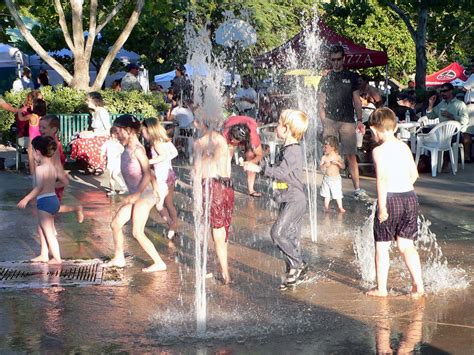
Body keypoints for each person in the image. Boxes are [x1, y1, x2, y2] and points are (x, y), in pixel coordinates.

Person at [246, 109, 309, 290]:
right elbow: (281, 171)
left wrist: (260, 170)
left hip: (295, 200)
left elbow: (280, 172)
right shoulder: (288, 148)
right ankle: (293, 271)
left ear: (287, 129)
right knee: (290, 236)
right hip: (287, 198)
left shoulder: (293, 150)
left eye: (280, 124)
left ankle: (298, 264)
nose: (277, 127)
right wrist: (262, 164)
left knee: (277, 233)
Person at [366, 107, 424, 299]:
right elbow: (414, 175)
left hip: (390, 199)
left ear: (375, 130)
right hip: (409, 197)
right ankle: (418, 285)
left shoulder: (379, 151)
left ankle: (381, 289)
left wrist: (382, 207)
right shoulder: (404, 147)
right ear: (395, 127)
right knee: (406, 245)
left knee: (382, 246)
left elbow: (381, 179)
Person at [103, 115, 167, 272]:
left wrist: (141, 193)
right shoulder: (127, 148)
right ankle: (119, 258)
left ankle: (159, 263)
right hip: (137, 194)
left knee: (137, 232)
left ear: (129, 131)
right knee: (116, 224)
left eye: (118, 132)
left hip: (143, 195)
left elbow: (146, 173)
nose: (115, 136)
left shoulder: (137, 150)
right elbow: (150, 172)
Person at [318, 45, 367, 200]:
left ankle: (357, 188)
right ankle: (331, 191)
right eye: (333, 60)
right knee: (330, 154)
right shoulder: (326, 78)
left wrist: (360, 120)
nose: (336, 63)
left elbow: (357, 101)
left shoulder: (351, 77)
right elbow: (320, 102)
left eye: (339, 59)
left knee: (351, 155)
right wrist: (323, 121)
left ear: (343, 59)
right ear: (330, 60)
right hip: (330, 120)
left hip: (347, 121)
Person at [193, 113, 234, 284]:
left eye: (195, 120)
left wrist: (196, 201)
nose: (193, 123)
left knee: (216, 230)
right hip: (227, 186)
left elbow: (196, 172)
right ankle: (222, 268)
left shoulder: (200, 143)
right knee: (223, 229)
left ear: (201, 123)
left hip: (211, 186)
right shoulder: (222, 140)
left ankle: (225, 275)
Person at [17, 136, 69, 264]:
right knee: (44, 228)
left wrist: (26, 198)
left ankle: (57, 258)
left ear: (37, 152)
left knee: (49, 232)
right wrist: (51, 187)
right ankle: (44, 255)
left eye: (33, 150)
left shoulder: (40, 169)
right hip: (52, 198)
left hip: (44, 201)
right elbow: (61, 182)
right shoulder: (52, 167)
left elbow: (39, 187)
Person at [39, 114, 84, 223]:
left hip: (55, 178)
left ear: (54, 129)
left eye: (44, 128)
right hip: (50, 177)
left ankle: (76, 208)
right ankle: (50, 229)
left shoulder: (53, 145)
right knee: (48, 207)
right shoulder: (47, 142)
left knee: (51, 208)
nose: (40, 130)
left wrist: (58, 180)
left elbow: (57, 165)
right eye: (39, 127)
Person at [142, 118, 179, 239]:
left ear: (149, 130)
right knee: (169, 204)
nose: (142, 133)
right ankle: (173, 227)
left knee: (159, 205)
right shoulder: (165, 140)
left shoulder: (156, 142)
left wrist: (149, 161)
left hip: (162, 177)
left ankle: (171, 225)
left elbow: (163, 156)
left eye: (143, 131)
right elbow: (174, 153)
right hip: (170, 174)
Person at [426, 83, 470, 163]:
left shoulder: (460, 104)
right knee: (427, 137)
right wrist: (430, 104)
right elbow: (430, 116)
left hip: (455, 133)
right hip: (441, 132)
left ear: (451, 91)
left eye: (445, 91)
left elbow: (465, 120)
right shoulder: (441, 104)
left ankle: (445, 162)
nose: (442, 93)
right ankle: (431, 163)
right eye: (441, 91)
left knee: (446, 139)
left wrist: (452, 116)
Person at [70, 92, 111, 175]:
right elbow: (95, 130)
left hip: (103, 138)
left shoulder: (102, 111)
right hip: (96, 136)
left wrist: (93, 135)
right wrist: (85, 133)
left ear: (94, 100)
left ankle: (98, 166)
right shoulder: (94, 112)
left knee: (83, 143)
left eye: (88, 100)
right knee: (77, 141)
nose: (86, 102)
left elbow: (109, 130)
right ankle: (89, 165)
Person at [223, 115, 263, 197]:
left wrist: (249, 163)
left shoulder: (253, 138)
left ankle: (251, 190)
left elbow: (259, 155)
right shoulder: (226, 133)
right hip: (231, 123)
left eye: (234, 140)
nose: (231, 140)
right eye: (232, 138)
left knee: (251, 155)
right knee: (227, 157)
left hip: (250, 126)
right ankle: (226, 184)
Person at [17, 98, 47, 175]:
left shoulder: (32, 116)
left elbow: (21, 118)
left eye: (32, 105)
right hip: (41, 139)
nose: (31, 106)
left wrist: (20, 111)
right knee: (39, 155)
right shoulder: (44, 117)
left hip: (32, 139)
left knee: (31, 155)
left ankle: (32, 172)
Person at [320, 135, 346, 213]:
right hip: (326, 179)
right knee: (326, 194)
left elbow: (343, 166)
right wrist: (324, 165)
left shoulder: (337, 157)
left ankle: (340, 207)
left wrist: (338, 163)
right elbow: (320, 168)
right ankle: (326, 207)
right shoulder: (324, 158)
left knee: (338, 194)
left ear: (333, 147)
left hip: (335, 179)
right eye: (324, 146)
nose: (324, 148)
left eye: (326, 147)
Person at [100, 127, 127, 196]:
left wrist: (119, 154)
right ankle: (112, 190)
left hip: (118, 162)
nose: (116, 136)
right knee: (111, 177)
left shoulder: (119, 143)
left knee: (114, 175)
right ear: (112, 134)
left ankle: (124, 187)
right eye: (115, 134)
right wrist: (101, 156)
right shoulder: (107, 143)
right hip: (111, 162)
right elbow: (103, 150)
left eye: (117, 134)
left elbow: (123, 151)